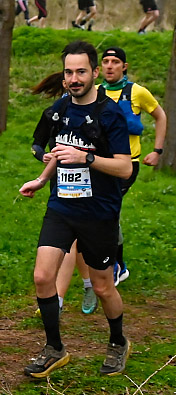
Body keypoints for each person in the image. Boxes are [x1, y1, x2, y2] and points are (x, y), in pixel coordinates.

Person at [19, 40, 132, 379]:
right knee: (42, 277)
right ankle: (54, 348)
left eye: (81, 71)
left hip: (99, 213)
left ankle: (118, 342)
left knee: (102, 286)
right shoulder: (59, 109)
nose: (74, 78)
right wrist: (42, 179)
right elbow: (57, 151)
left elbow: (125, 167)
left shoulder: (110, 114)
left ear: (95, 73)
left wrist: (87, 157)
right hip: (61, 207)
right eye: (69, 72)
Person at [31, 71, 98, 315]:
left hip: (92, 186)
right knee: (71, 243)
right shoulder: (53, 113)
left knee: (77, 242)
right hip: (59, 185)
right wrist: (43, 157)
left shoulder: (97, 114)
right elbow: (36, 145)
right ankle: (76, 290)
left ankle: (80, 289)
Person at [100, 46, 166, 286]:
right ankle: (105, 262)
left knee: (108, 212)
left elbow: (160, 116)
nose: (110, 66)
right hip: (99, 164)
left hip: (127, 165)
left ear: (124, 66)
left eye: (115, 62)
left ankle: (116, 265)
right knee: (99, 212)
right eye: (106, 61)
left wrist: (157, 151)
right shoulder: (95, 92)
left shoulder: (136, 92)